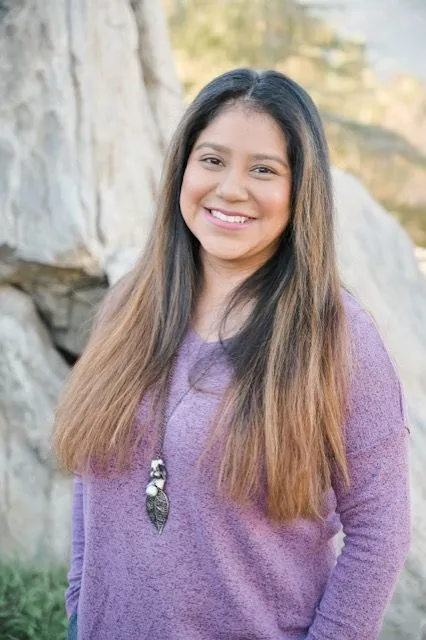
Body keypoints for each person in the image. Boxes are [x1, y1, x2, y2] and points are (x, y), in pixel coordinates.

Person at [52, 68, 411, 640]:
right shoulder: (128, 304)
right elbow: (91, 470)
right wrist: (79, 605)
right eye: (213, 160)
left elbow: (380, 533)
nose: (231, 188)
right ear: (183, 168)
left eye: (263, 169)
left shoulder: (335, 337)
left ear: (301, 190)